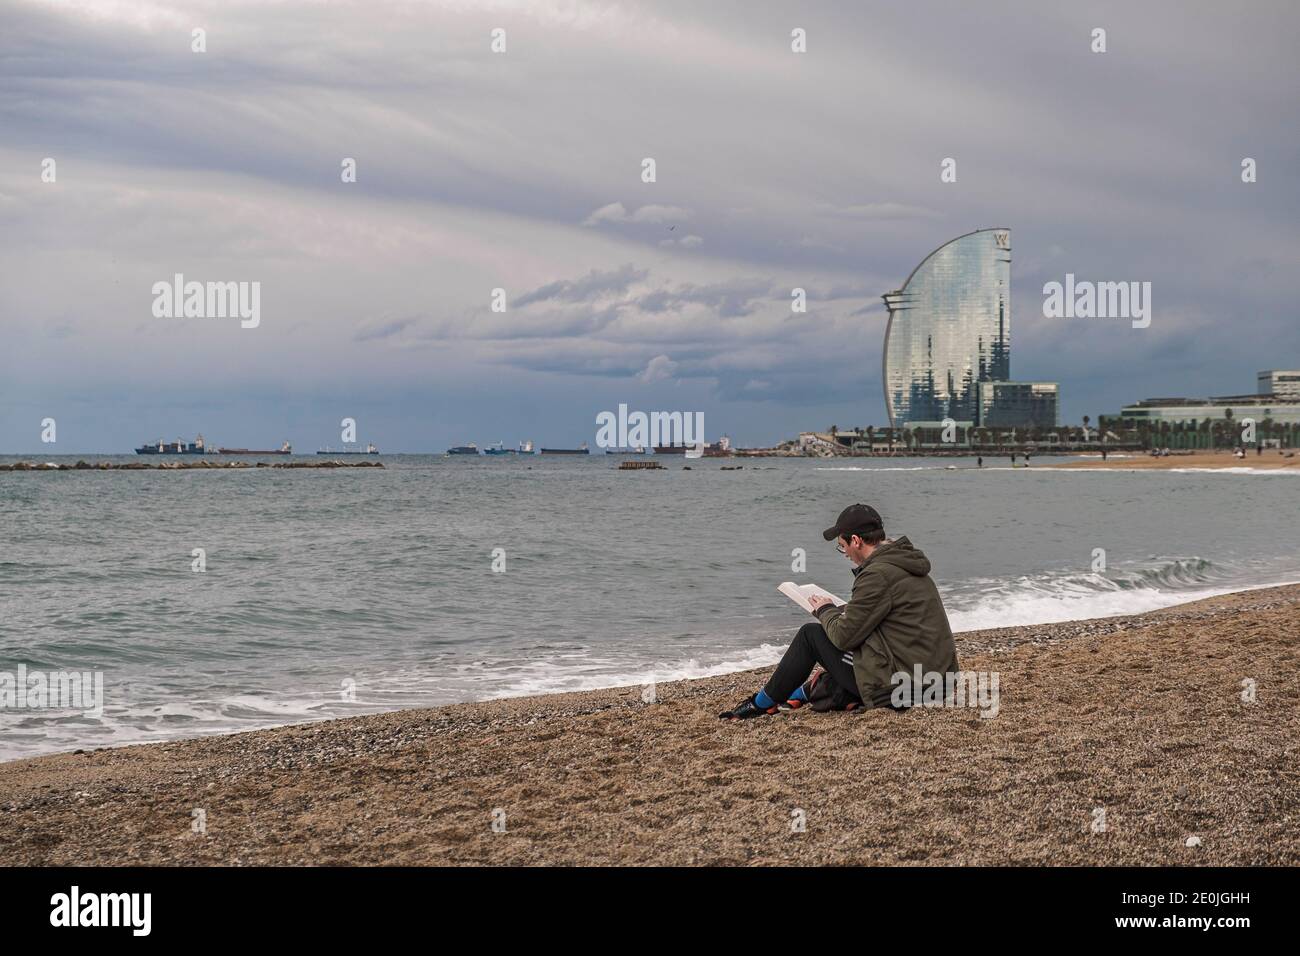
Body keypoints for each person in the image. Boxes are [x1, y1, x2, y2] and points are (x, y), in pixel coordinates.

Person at [720, 504, 960, 719]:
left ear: (856, 541)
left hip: (905, 689)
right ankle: (804, 692)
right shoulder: (905, 562)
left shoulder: (878, 574)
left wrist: (824, 609)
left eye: (842, 546)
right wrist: (846, 611)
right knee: (844, 647)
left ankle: (762, 703)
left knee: (811, 635)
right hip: (940, 680)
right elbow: (893, 619)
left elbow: (844, 638)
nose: (844, 553)